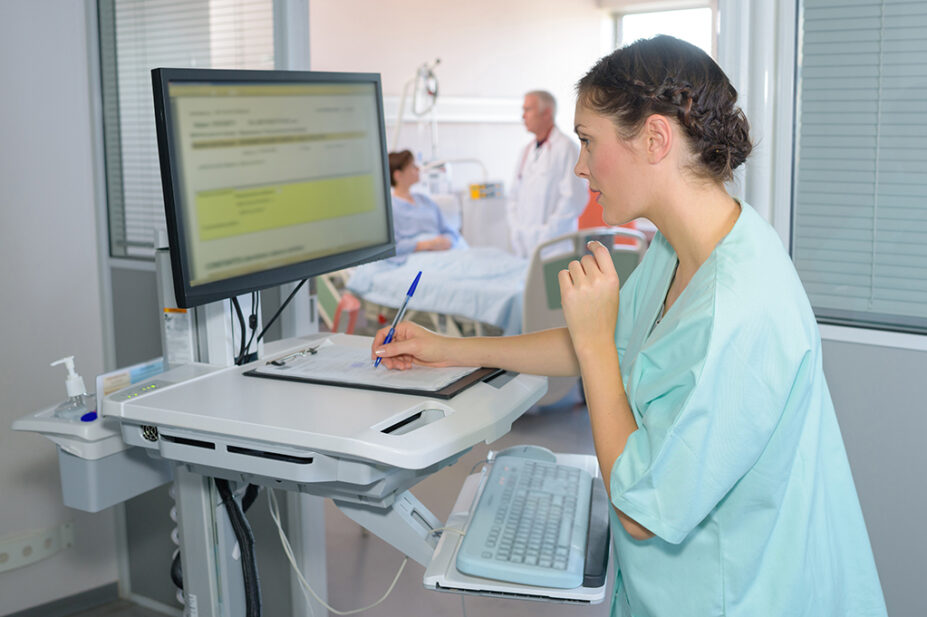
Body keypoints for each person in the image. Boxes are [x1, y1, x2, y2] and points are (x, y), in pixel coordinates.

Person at [372, 36, 887, 617]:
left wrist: (594, 345)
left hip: (739, 596)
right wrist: (446, 348)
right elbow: (613, 341)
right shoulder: (682, 248)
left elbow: (641, 511)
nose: (579, 164)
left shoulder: (739, 310)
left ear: (655, 138)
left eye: (589, 141)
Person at [506, 90, 588, 258]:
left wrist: (545, 234)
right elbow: (513, 196)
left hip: (555, 247)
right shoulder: (526, 152)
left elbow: (574, 199)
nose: (523, 116)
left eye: (528, 110)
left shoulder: (566, 148)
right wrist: (518, 231)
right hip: (524, 247)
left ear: (547, 113)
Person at [388, 149, 466, 256]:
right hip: (415, 258)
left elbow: (449, 231)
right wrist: (426, 244)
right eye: (412, 166)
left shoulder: (425, 201)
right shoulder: (391, 208)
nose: (418, 168)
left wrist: (448, 241)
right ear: (398, 175)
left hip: (445, 252)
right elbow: (392, 248)